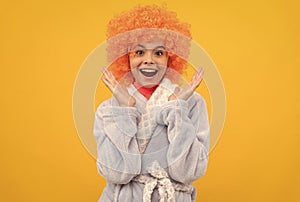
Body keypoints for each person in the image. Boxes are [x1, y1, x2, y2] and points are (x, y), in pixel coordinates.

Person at [93, 5, 210, 202]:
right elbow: (116, 173)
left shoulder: (193, 103)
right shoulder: (109, 109)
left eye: (158, 53)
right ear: (125, 57)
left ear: (170, 58)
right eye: (139, 52)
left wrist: (177, 108)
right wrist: (125, 109)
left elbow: (188, 173)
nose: (148, 60)